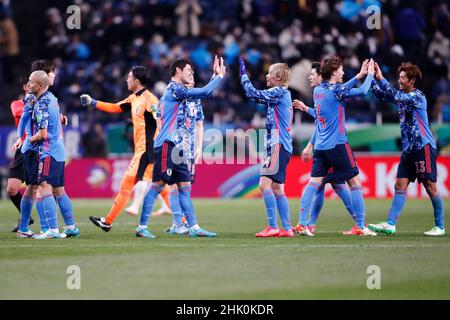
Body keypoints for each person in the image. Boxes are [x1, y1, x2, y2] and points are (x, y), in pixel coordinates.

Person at [136, 56, 225, 238]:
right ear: (178, 71)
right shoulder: (174, 88)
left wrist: (213, 77)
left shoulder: (182, 92)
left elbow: (198, 94)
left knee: (184, 187)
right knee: (157, 185)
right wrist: (219, 77)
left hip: (180, 149)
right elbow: (205, 92)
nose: (191, 74)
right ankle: (142, 227)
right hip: (168, 144)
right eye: (188, 71)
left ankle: (193, 227)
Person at [296, 56, 377, 236]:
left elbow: (339, 89)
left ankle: (302, 224)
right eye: (340, 69)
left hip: (321, 148)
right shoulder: (337, 90)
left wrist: (358, 75)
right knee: (354, 183)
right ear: (333, 72)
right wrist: (369, 74)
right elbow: (363, 91)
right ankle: (360, 226)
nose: (342, 71)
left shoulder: (318, 91)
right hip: (338, 145)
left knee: (313, 184)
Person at [82, 66, 169, 232]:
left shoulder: (150, 100)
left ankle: (108, 222)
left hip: (147, 150)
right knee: (159, 186)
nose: (127, 80)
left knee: (127, 185)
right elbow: (116, 107)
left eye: (129, 77)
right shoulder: (134, 98)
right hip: (142, 150)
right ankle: (185, 222)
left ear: (137, 81)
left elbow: (160, 119)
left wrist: (161, 143)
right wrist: (93, 102)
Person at [369, 62, 445, 236]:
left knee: (430, 186)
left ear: (412, 81)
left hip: (422, 146)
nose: (399, 80)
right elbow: (382, 95)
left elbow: (393, 94)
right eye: (399, 76)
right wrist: (370, 78)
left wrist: (380, 77)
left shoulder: (417, 96)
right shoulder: (402, 94)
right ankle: (390, 224)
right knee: (399, 185)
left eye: (403, 77)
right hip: (409, 149)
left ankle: (440, 227)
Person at [13, 70, 78, 239]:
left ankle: (49, 229)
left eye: (31, 81)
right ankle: (68, 227)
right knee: (53, 189)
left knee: (42, 187)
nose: (28, 84)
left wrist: (28, 139)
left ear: (40, 84)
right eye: (52, 74)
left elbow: (42, 133)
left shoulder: (43, 102)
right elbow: (25, 118)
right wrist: (21, 137)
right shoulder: (47, 99)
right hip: (49, 149)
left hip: (45, 149)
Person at [292, 62, 355, 236]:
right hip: (329, 145)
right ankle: (309, 224)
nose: (310, 77)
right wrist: (307, 109)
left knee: (335, 184)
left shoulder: (327, 92)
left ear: (322, 75)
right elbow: (321, 122)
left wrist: (310, 145)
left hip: (331, 145)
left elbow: (322, 124)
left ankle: (357, 222)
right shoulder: (320, 93)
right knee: (330, 185)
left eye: (313, 74)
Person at [239, 57, 294, 238]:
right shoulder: (283, 94)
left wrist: (244, 76)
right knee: (277, 187)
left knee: (264, 185)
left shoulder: (278, 92)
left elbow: (252, 94)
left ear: (278, 77)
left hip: (277, 145)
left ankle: (273, 227)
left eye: (270, 73)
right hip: (282, 145)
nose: (267, 76)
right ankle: (286, 229)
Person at [165, 79, 204, 235]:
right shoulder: (174, 95)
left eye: (193, 76)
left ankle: (181, 222)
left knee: (185, 187)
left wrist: (200, 147)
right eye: (189, 74)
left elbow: (200, 124)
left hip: (189, 150)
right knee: (173, 185)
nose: (192, 79)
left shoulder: (196, 99)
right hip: (174, 146)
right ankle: (177, 223)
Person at [8, 76, 34, 232]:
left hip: (36, 148)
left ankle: (50, 226)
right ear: (26, 87)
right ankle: (27, 217)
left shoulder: (43, 102)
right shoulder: (16, 104)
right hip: (21, 149)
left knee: (38, 188)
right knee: (11, 189)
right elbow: (21, 113)